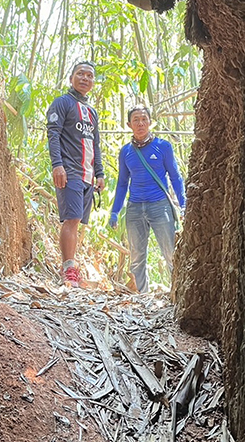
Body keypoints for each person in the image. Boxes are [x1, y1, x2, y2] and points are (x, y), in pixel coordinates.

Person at [109, 105, 186, 293]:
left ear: (150, 122)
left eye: (144, 119)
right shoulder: (126, 151)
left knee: (170, 252)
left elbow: (175, 177)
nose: (140, 123)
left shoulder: (163, 146)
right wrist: (115, 211)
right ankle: (142, 297)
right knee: (136, 256)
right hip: (135, 207)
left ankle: (176, 294)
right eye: (136, 120)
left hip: (160, 205)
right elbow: (122, 183)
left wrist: (184, 205)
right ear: (129, 124)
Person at [46, 61, 105, 287]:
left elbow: (95, 144)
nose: (85, 78)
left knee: (77, 220)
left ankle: (72, 267)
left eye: (90, 75)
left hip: (87, 174)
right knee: (71, 218)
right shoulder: (62, 103)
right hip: (69, 170)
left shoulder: (91, 112)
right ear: (71, 78)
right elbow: (53, 134)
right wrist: (57, 165)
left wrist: (99, 173)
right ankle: (68, 269)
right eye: (80, 74)